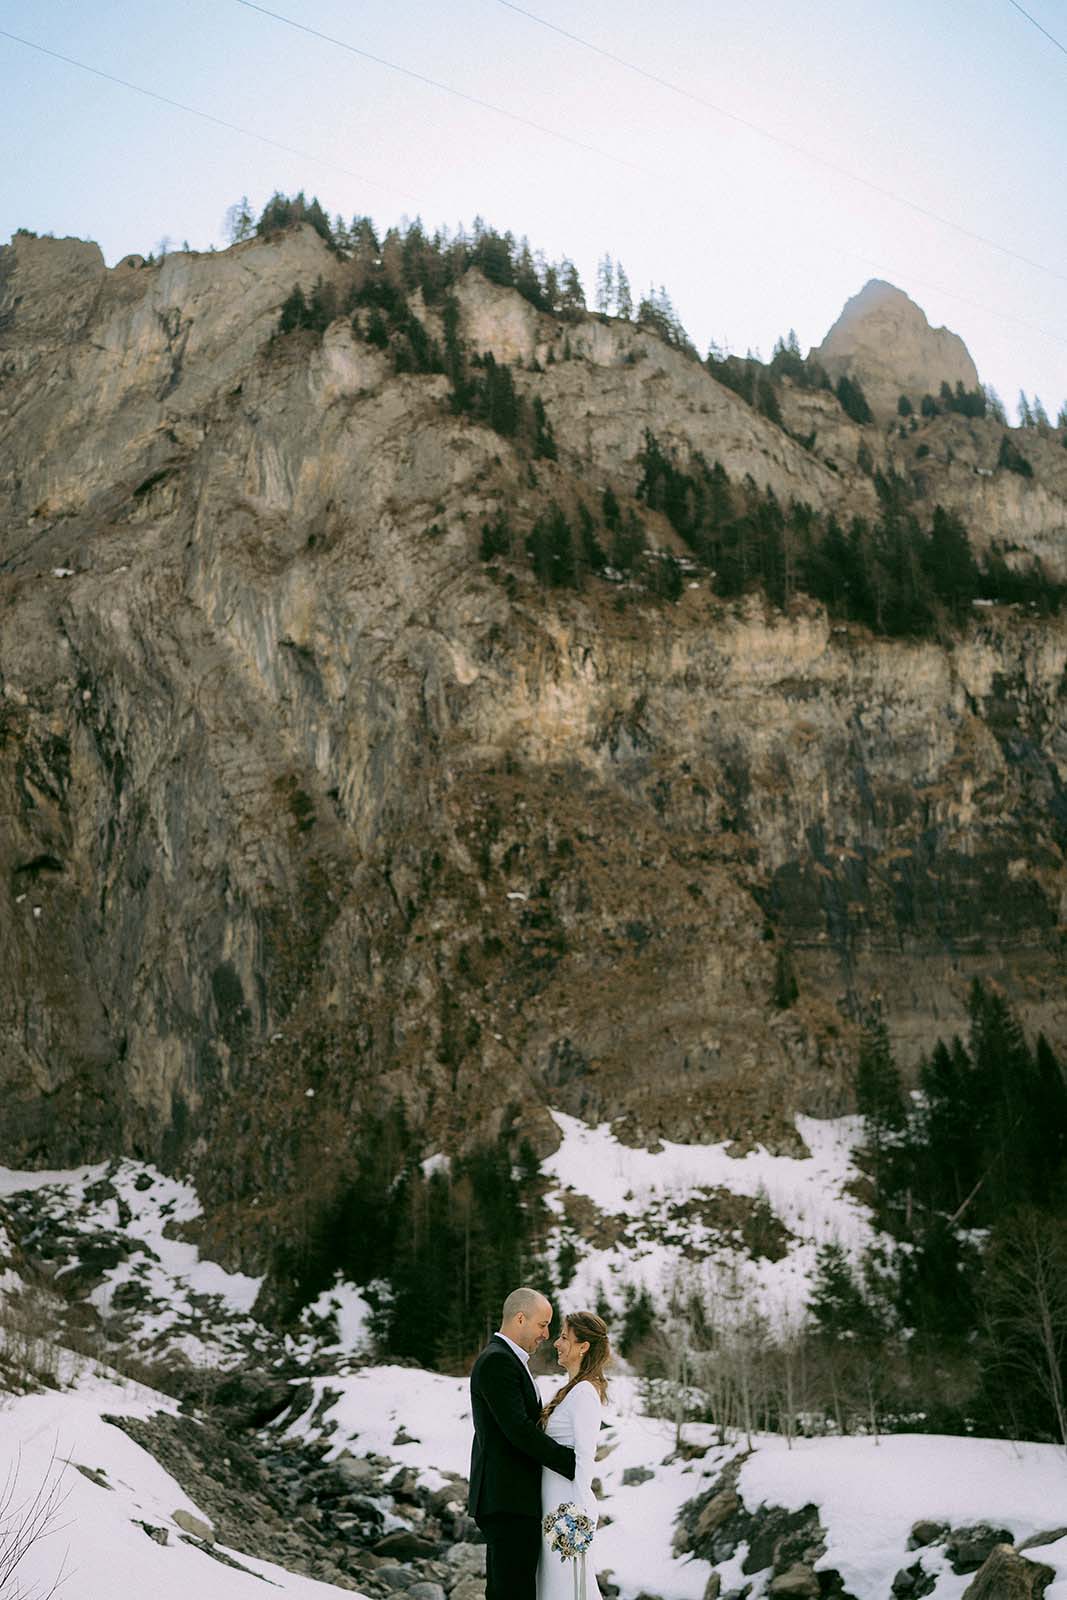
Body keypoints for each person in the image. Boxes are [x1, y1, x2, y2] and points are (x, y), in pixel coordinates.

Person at [469, 1287, 577, 1600]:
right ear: (520, 1318)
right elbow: (519, 1430)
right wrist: (571, 1463)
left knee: (508, 1590)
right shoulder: (497, 1362)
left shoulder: (508, 1360)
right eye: (542, 1325)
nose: (546, 1334)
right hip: (507, 1499)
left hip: (511, 1498)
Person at [537, 1311, 610, 1600]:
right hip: (553, 1504)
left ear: (584, 1346)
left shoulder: (584, 1393)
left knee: (569, 1588)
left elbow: (584, 1456)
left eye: (564, 1337)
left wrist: (576, 1516)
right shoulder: (573, 1390)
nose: (556, 1343)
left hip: (565, 1512)